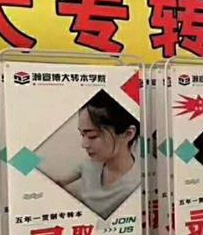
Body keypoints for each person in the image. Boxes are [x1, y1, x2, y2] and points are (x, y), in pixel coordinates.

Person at [52, 91, 140, 219]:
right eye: (82, 135)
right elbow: (57, 182)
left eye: (92, 136)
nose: (84, 144)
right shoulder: (89, 164)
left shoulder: (135, 186)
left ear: (128, 134)